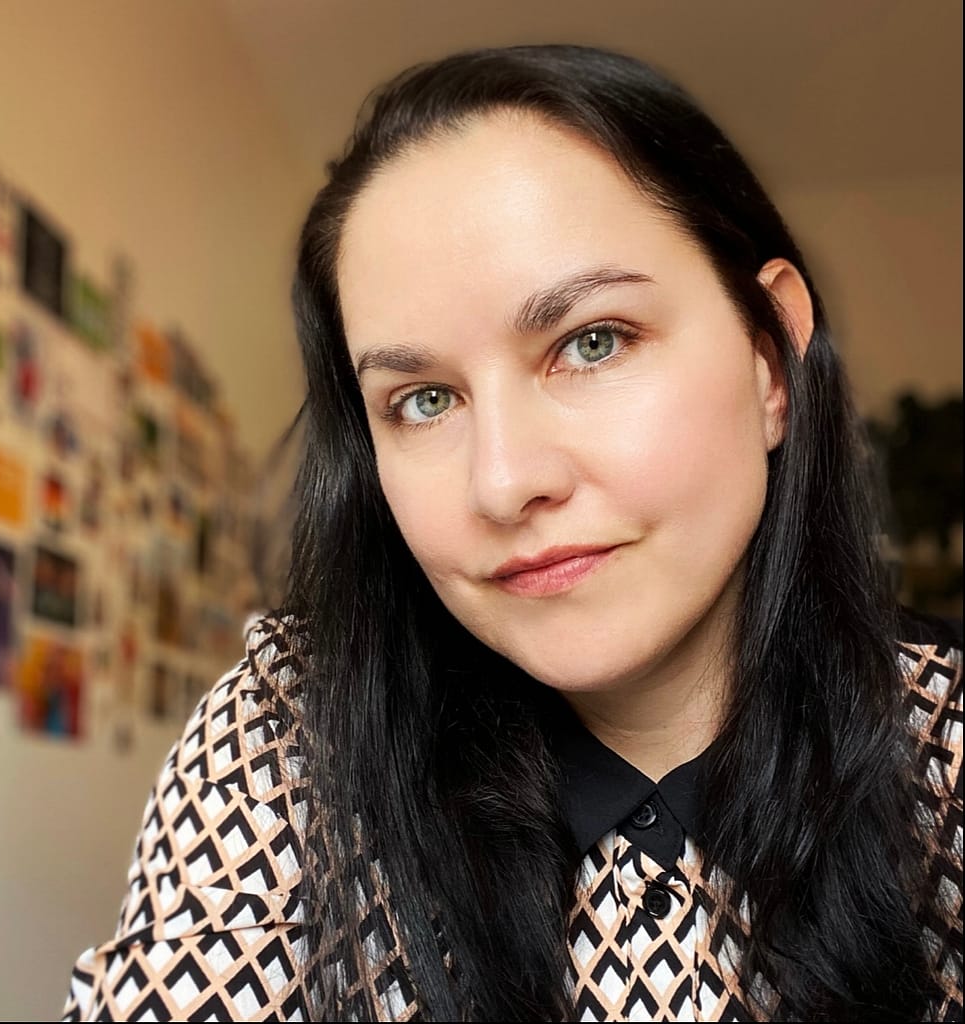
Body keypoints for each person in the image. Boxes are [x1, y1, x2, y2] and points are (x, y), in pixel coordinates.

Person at [61, 44, 962, 1023]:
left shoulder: (943, 747)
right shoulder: (292, 744)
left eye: (591, 341)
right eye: (423, 399)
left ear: (771, 357)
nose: (502, 481)